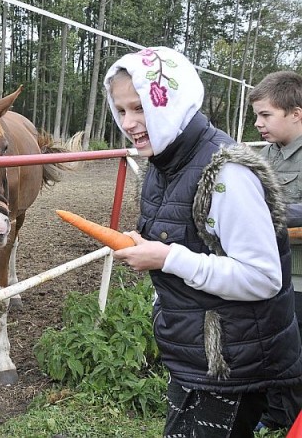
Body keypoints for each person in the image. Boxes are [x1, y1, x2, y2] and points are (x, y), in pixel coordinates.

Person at [103, 47, 302, 437]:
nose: (129, 122)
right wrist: (148, 245)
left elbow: (262, 277)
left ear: (171, 102)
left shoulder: (226, 170)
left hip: (232, 360)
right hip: (202, 354)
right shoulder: (165, 161)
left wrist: (167, 258)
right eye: (121, 110)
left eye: (141, 107)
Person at [248, 70, 302, 430]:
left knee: (295, 349)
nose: (258, 124)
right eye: (257, 116)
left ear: (295, 113)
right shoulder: (265, 155)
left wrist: (261, 217)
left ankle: (292, 418)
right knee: (269, 344)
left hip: (298, 275)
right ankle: (274, 413)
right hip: (269, 269)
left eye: (265, 115)